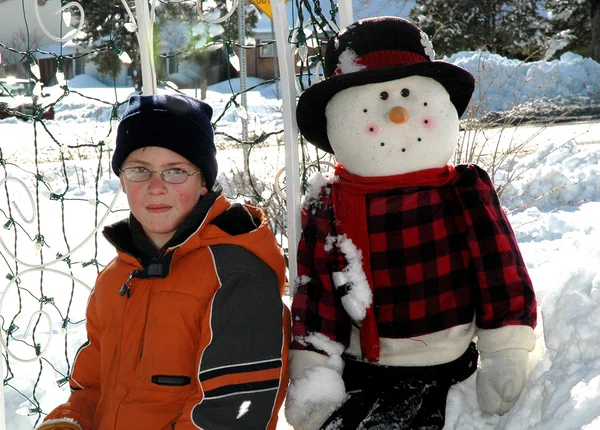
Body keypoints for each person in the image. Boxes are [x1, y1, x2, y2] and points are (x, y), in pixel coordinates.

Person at [37, 94, 290, 430]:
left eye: (175, 171)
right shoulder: (117, 277)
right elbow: (92, 386)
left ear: (203, 182)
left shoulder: (237, 277)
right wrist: (70, 422)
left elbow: (228, 418)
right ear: (122, 180)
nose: (156, 187)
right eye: (140, 170)